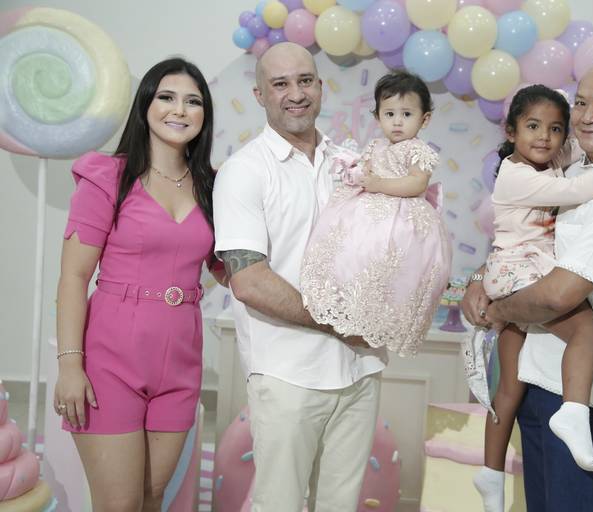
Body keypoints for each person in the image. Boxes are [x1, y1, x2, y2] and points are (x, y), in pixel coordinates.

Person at [463, 59, 593, 511]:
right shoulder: (571, 170)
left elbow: (558, 294)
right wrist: (480, 278)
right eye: (581, 103)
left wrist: (498, 310)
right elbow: (525, 241)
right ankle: (490, 475)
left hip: (589, 394)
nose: (588, 116)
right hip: (539, 374)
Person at [212, 42, 387, 512]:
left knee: (340, 506)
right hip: (287, 374)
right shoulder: (243, 172)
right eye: (280, 84)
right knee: (280, 504)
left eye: (305, 80)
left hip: (359, 368)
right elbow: (249, 281)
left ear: (321, 87)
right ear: (259, 95)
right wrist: (341, 323)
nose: (296, 93)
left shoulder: (352, 165)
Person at [54, 58, 224, 511]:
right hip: (109, 361)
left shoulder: (214, 188)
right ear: (145, 104)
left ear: (204, 114)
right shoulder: (107, 178)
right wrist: (70, 366)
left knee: (151, 500)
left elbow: (231, 268)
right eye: (166, 97)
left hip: (181, 362)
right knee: (120, 504)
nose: (179, 110)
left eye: (193, 101)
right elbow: (73, 277)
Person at [300, 70, 452, 357]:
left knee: (393, 264)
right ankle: (346, 299)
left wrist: (378, 184)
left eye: (406, 114)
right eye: (389, 114)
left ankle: (380, 312)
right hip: (368, 212)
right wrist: (356, 173)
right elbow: (366, 171)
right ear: (378, 117)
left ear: (424, 119)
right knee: (352, 251)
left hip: (402, 216)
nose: (397, 121)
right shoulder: (376, 146)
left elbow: (417, 183)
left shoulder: (417, 150)